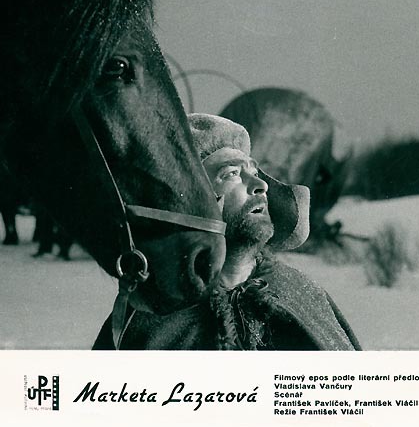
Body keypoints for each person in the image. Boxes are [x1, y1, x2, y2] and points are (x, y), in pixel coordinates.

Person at [93, 114, 360, 350]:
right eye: (231, 173)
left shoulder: (301, 293)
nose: (260, 185)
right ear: (192, 200)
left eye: (253, 171)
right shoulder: (149, 321)